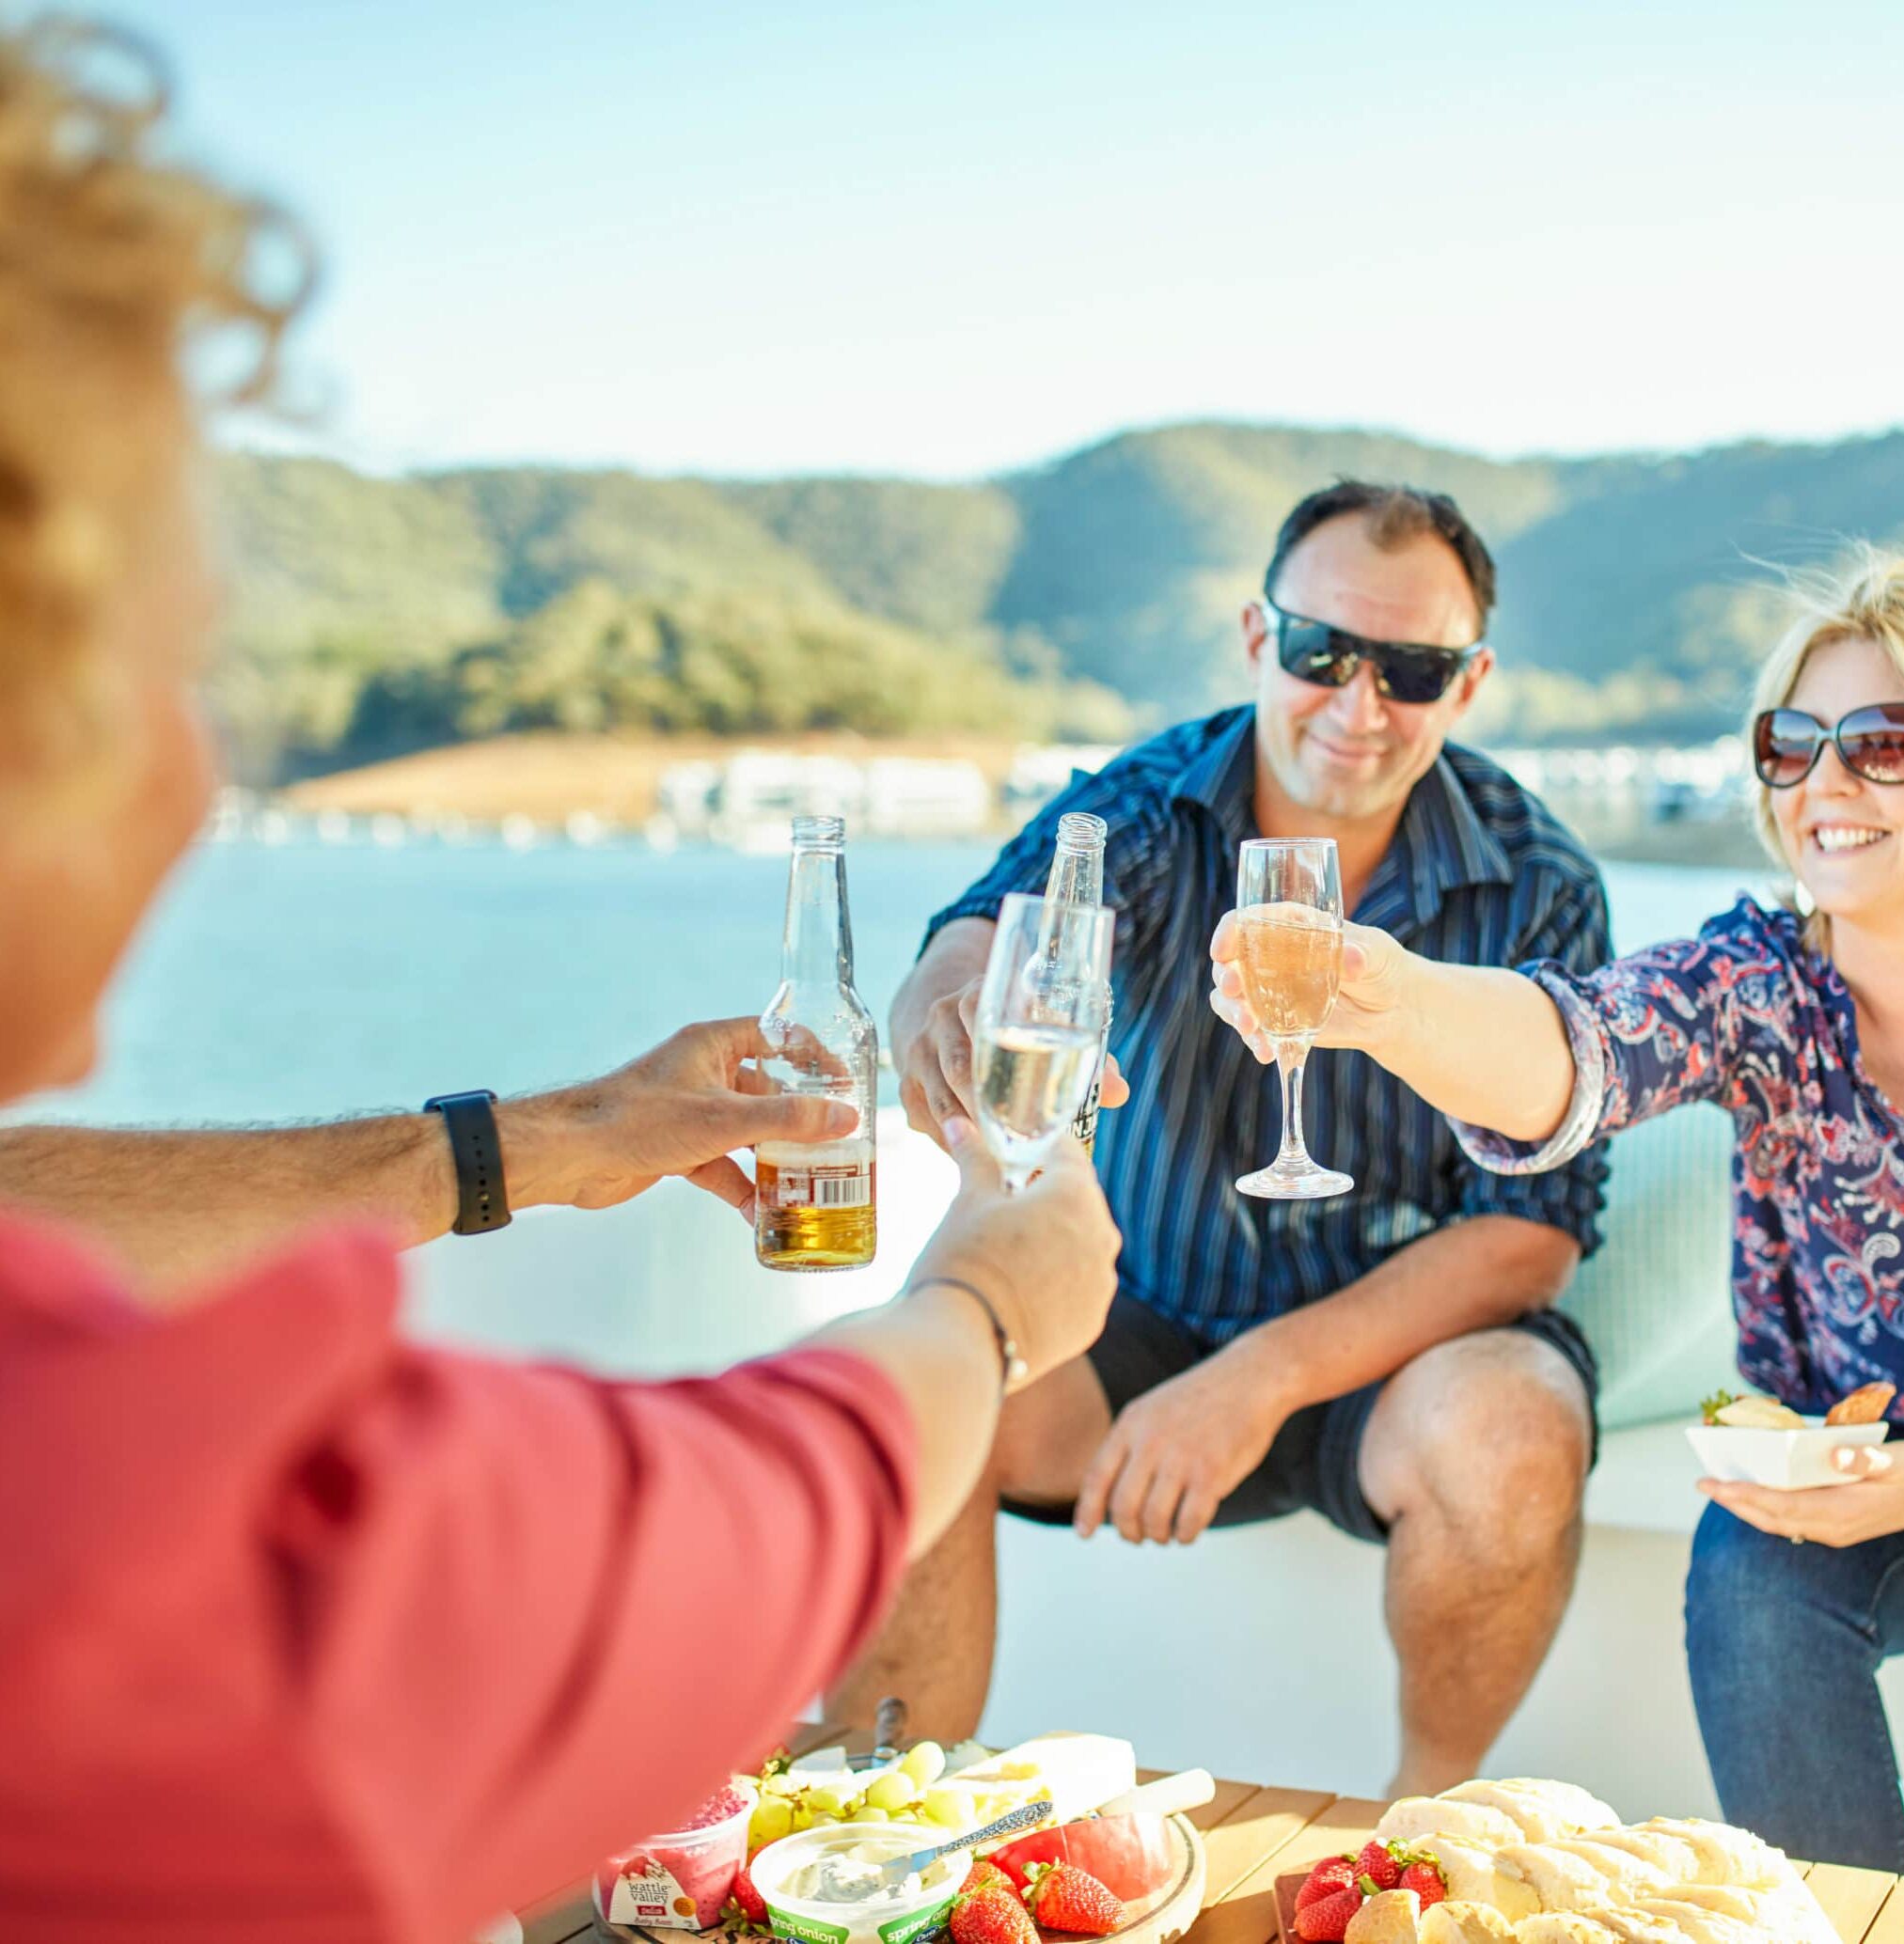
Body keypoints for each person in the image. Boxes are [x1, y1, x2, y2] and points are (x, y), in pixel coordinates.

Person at [0, 24, 1121, 1941]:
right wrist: (981, 1317)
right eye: (177, 675)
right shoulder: (116, 1539)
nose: (201, 772)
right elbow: (572, 1566)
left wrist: (544, 1137)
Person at [834, 478, 1613, 1796]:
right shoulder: (1144, 809)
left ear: (1469, 685)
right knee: (906, 1393)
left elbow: (1532, 1238)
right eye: (1324, 654)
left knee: (1517, 1426)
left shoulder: (1542, 883)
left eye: (1413, 672)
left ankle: (1419, 1840)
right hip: (1131, 1327)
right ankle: (876, 1821)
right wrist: (948, 998)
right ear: (1260, 639)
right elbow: (982, 932)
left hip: (1397, 1359)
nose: (1362, 708)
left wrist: (1254, 1380)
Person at [1211, 547, 1904, 1873]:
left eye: (1885, 741)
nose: (1825, 786)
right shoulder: (1764, 984)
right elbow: (1586, 1045)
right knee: (1753, 1580)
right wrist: (1395, 1003)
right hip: (1846, 1493)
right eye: (1794, 743)